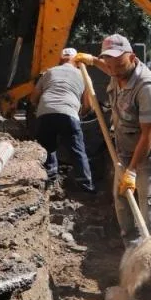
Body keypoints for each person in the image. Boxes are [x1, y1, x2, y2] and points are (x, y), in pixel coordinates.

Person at [92, 34, 151, 244]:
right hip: (123, 152)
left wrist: (132, 170)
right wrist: (90, 60)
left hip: (148, 155)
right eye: (109, 63)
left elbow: (149, 133)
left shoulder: (147, 88)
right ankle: (135, 263)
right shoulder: (117, 71)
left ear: (132, 57)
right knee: (124, 209)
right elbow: (107, 67)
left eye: (118, 64)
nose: (113, 70)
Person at [33, 47, 95, 194]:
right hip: (69, 114)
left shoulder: (49, 72)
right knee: (78, 150)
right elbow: (89, 105)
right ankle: (86, 185)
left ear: (60, 59)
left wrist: (42, 109)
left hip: (46, 112)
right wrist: (80, 115)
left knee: (47, 147)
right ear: (77, 61)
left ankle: (49, 178)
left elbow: (34, 98)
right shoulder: (83, 75)